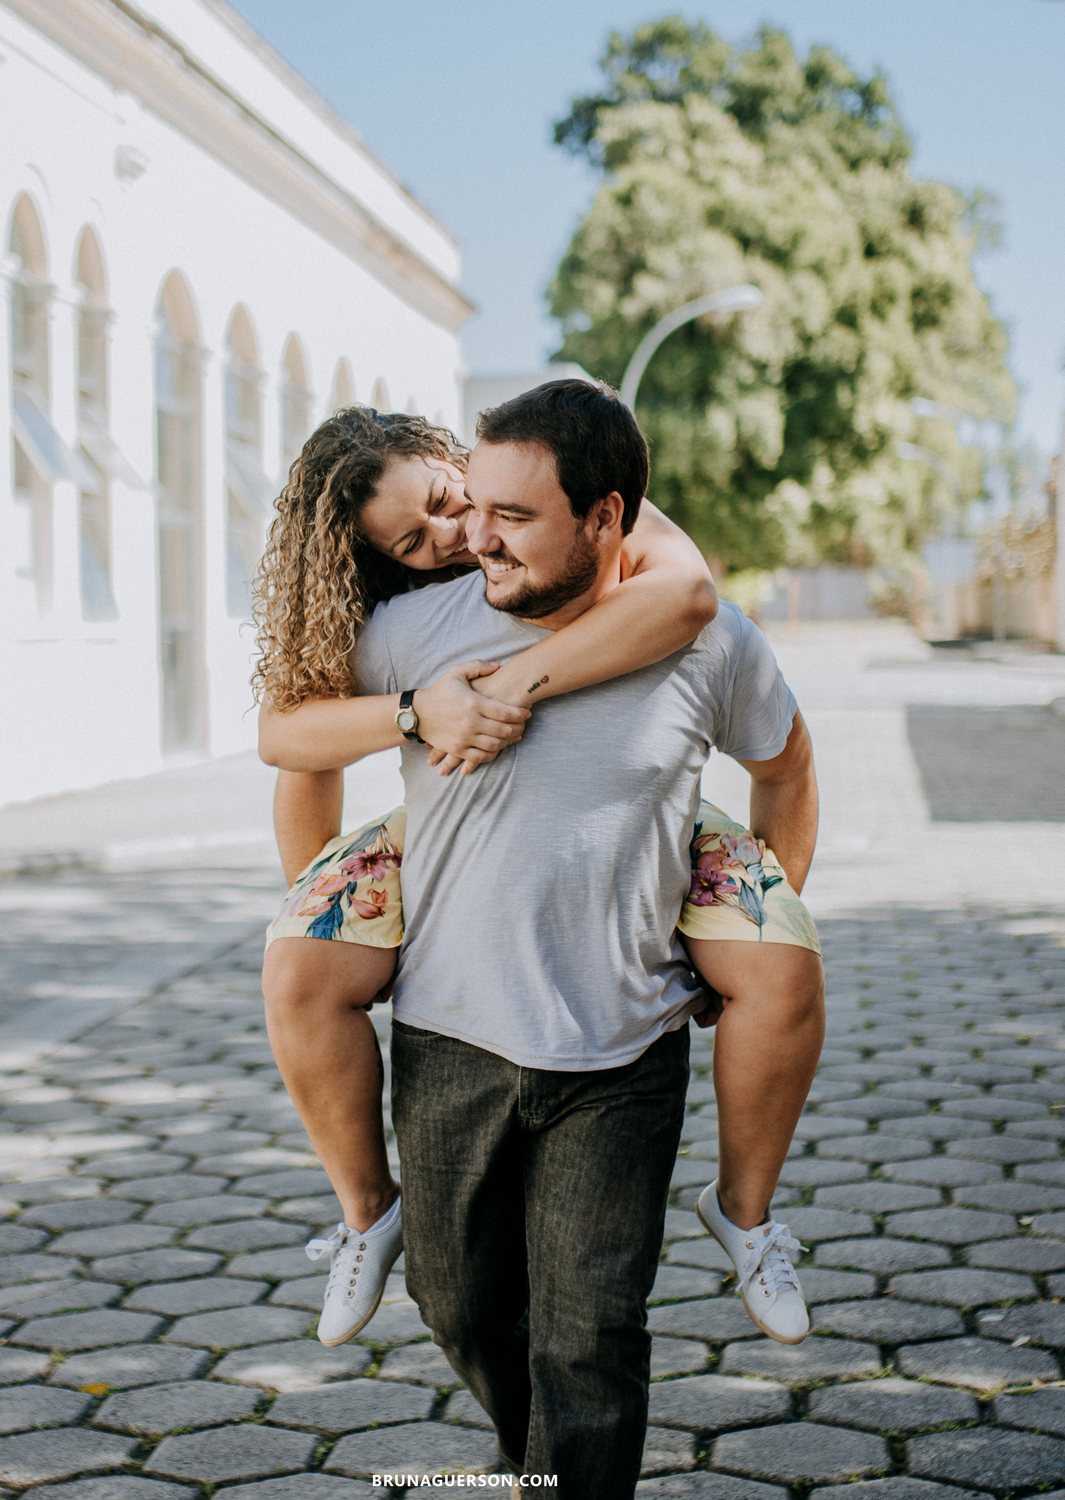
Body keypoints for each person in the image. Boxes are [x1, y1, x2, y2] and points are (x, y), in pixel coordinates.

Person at [254, 399, 824, 1368]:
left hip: (649, 823)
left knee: (783, 968)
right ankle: (366, 1216)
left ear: (459, 461)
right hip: (439, 818)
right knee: (297, 966)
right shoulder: (408, 621)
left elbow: (685, 598)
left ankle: (747, 1215)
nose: (446, 539)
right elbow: (292, 743)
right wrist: (350, 911)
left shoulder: (590, 510)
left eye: (446, 501)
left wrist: (508, 689)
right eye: (412, 540)